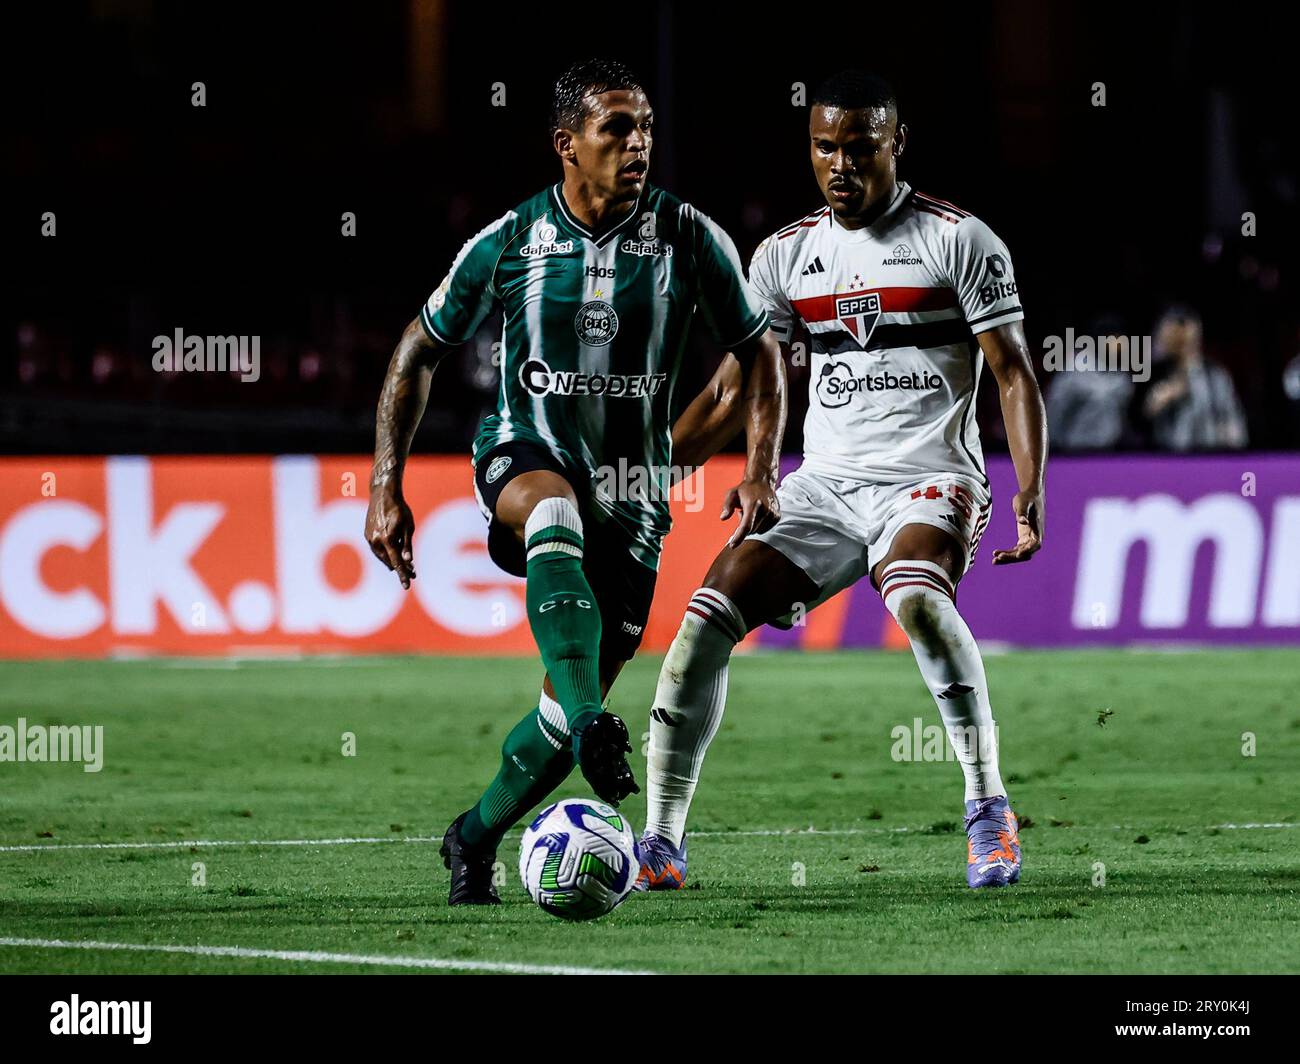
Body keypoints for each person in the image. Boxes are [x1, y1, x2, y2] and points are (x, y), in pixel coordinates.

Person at [363, 58, 787, 905]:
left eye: (646, 130)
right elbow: (418, 349)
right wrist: (385, 484)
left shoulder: (690, 238)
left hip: (633, 499)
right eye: (617, 130)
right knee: (551, 511)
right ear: (567, 144)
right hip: (526, 452)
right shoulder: (510, 241)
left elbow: (761, 354)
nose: (638, 147)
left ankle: (473, 836)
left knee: (562, 722)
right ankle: (595, 719)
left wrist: (762, 471)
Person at [637, 70, 1047, 891]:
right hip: (822, 486)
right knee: (701, 626)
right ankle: (661, 841)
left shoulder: (959, 240)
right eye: (825, 146)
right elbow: (734, 389)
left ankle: (987, 807)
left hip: (930, 480)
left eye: (860, 147)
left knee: (920, 602)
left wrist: (1031, 497)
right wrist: (639, 474)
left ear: (897, 145)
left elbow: (1011, 374)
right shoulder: (785, 255)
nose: (840, 164)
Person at [1141, 305, 1247, 450]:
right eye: (1174, 334)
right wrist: (1156, 404)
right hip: (1168, 458)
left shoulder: (1215, 376)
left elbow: (1233, 424)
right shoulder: (1155, 375)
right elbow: (1139, 421)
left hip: (1210, 455)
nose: (1181, 340)